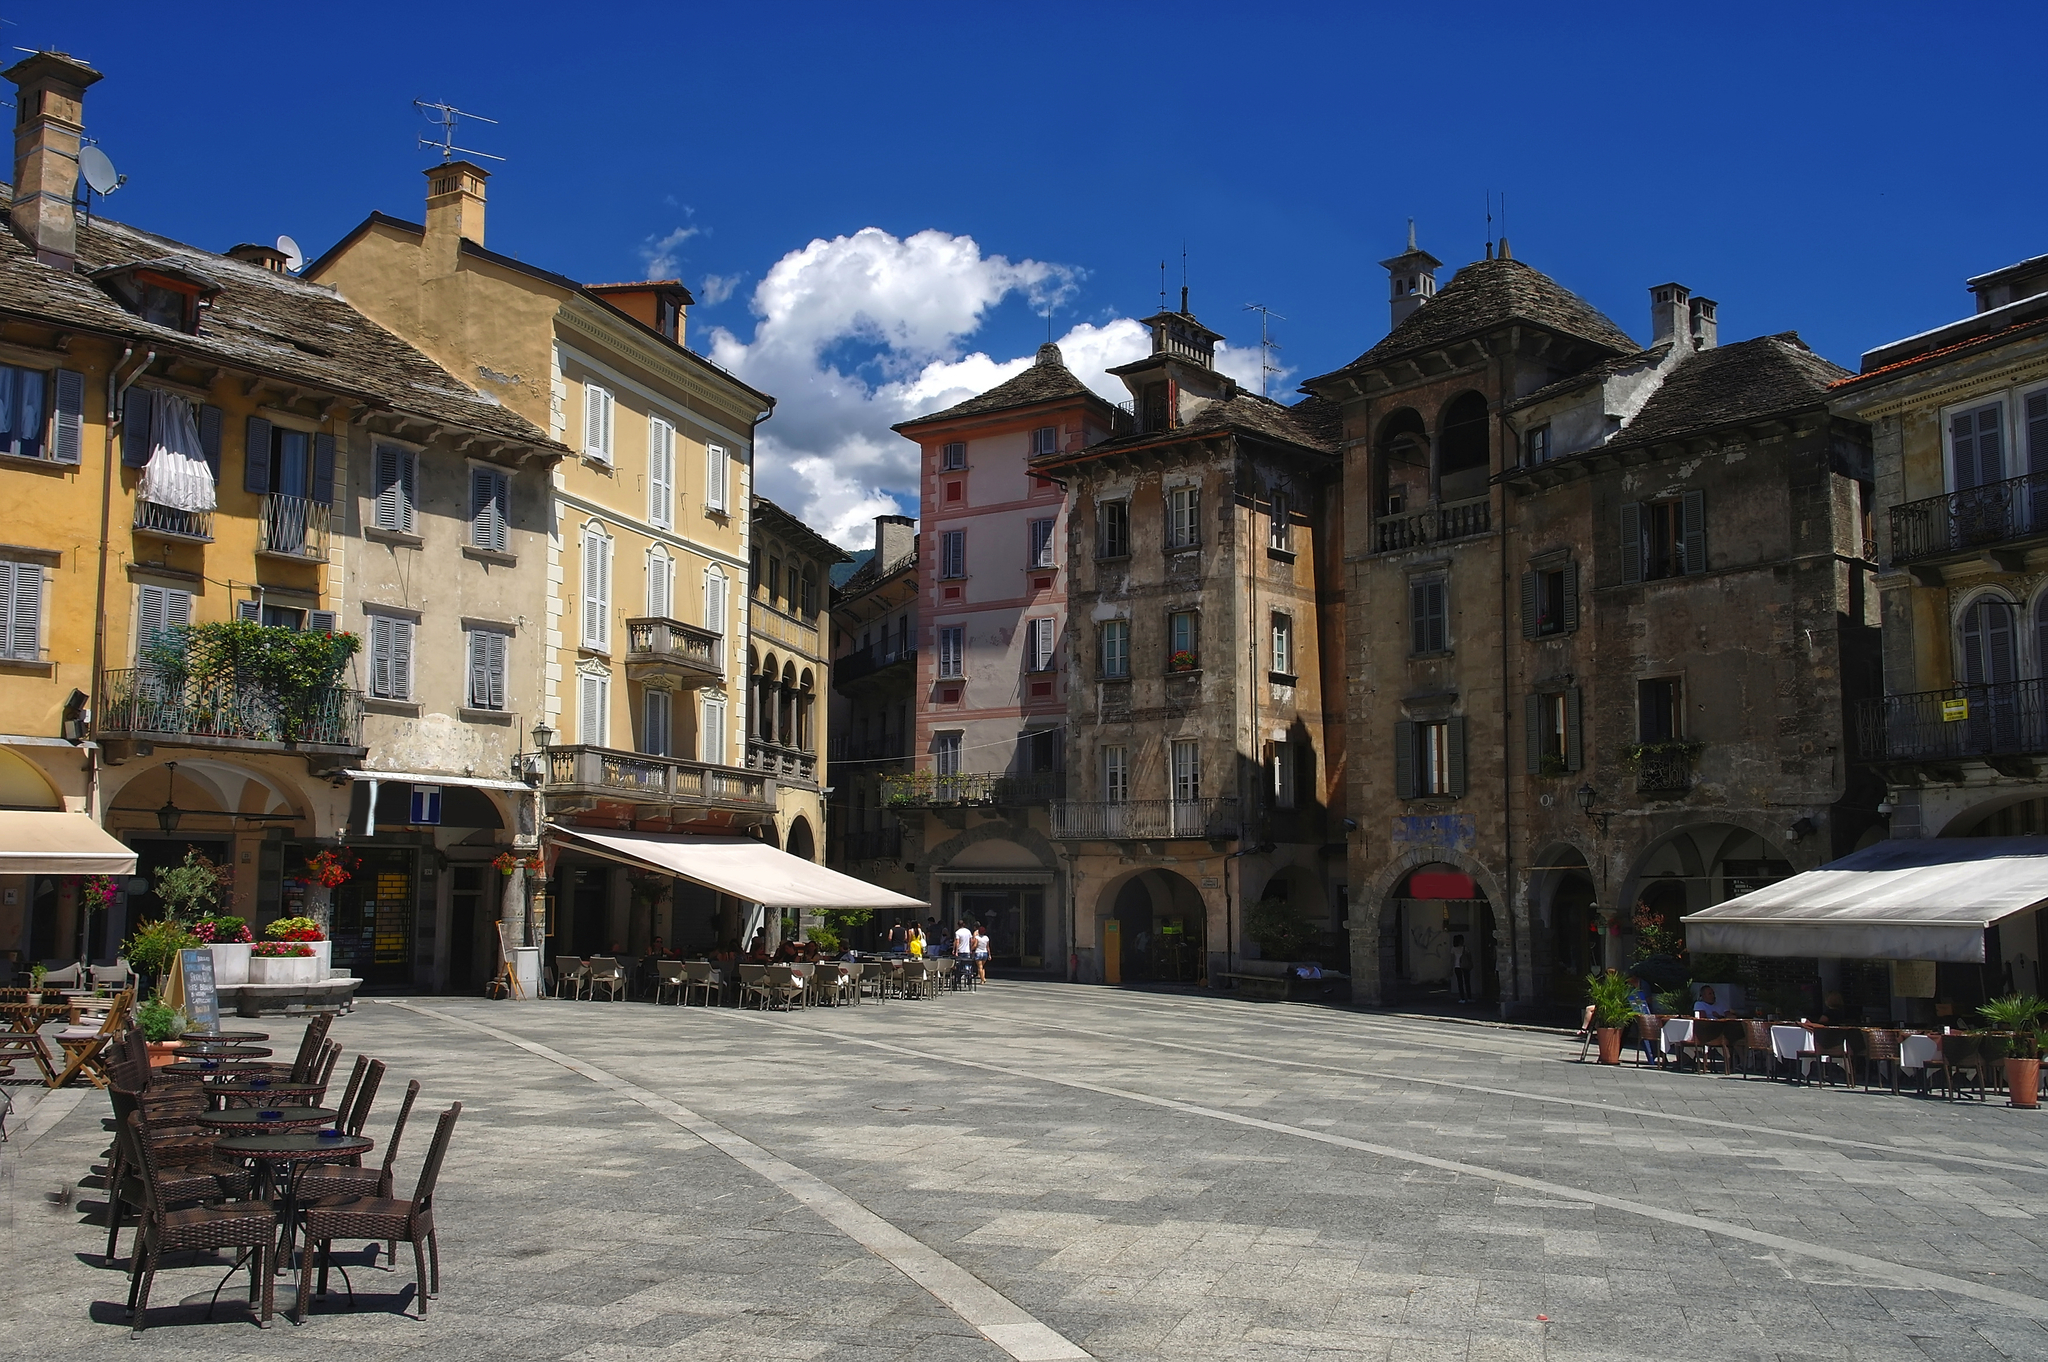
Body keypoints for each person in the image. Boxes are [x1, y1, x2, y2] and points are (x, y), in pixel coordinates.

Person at [1449, 935, 1472, 1002]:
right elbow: (1469, 957)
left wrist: (1451, 968)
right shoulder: (1465, 948)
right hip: (1465, 966)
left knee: (1460, 982)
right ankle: (1469, 997)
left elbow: (1452, 959)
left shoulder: (1453, 949)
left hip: (1457, 967)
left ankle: (1462, 998)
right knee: (1467, 982)